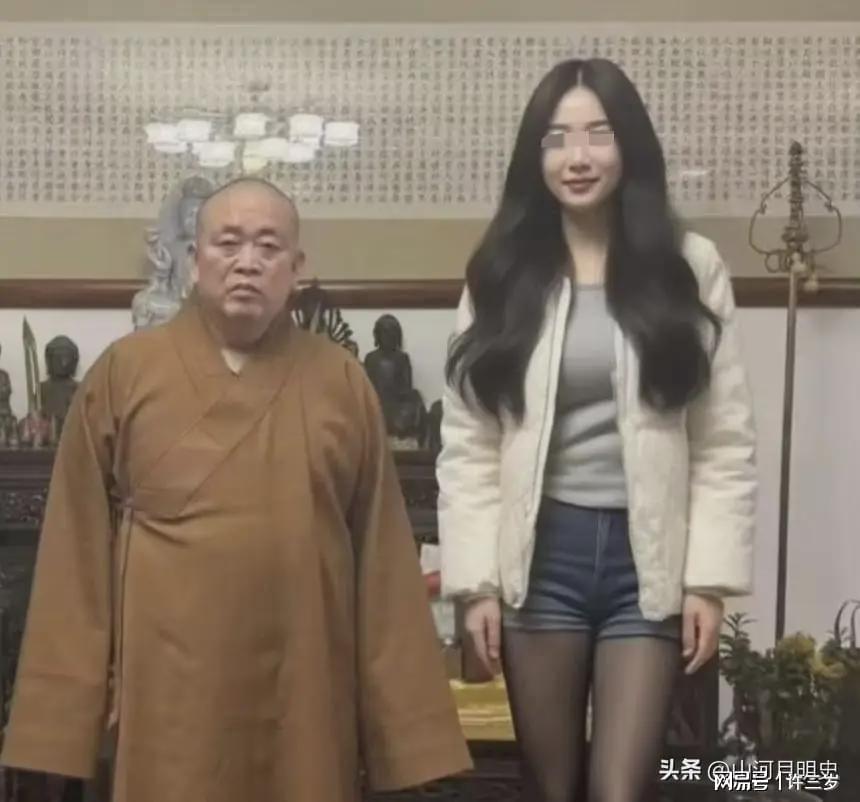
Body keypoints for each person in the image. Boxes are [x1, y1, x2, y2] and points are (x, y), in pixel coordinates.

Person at [1, 177, 471, 801]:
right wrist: (65, 717)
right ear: (195, 260)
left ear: (296, 269)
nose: (247, 262)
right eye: (228, 243)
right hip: (165, 686)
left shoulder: (341, 381)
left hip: (304, 680)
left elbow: (383, 564)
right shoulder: (125, 373)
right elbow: (75, 555)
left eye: (268, 247)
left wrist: (405, 730)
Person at [437, 58, 756, 802]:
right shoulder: (500, 272)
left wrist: (708, 582)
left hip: (646, 565)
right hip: (540, 559)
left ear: (630, 146)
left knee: (621, 786)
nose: (576, 158)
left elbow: (722, 438)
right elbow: (470, 440)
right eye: (556, 139)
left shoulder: (689, 266)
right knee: (551, 786)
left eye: (597, 135)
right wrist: (476, 585)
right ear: (535, 156)